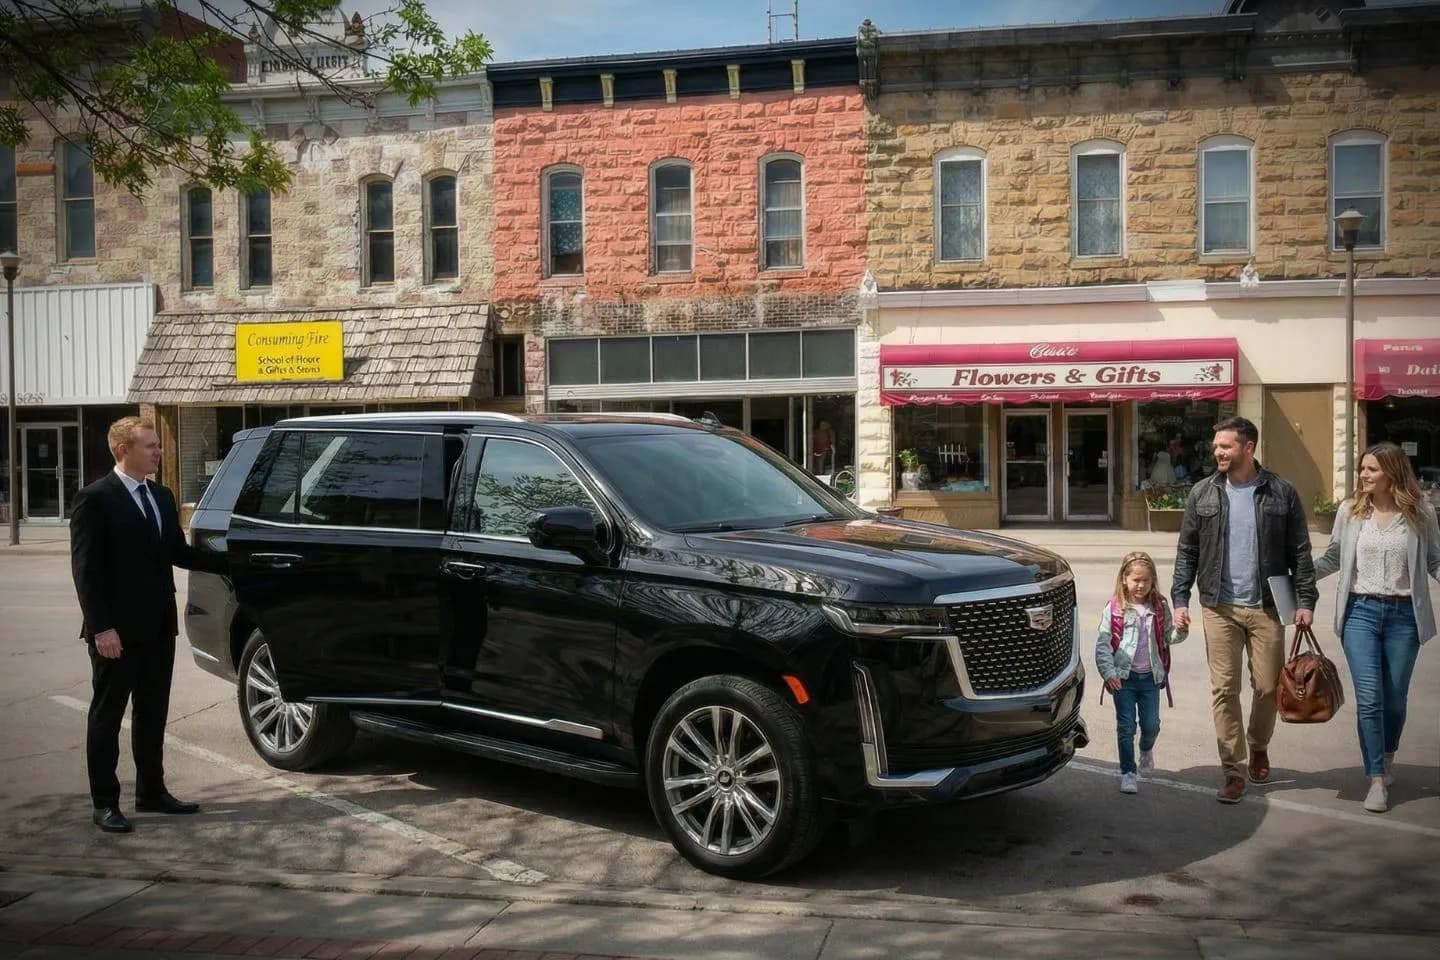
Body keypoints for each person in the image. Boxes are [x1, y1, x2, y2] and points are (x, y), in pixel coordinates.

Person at [70, 417, 228, 833]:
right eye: (150, 446)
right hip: (116, 632)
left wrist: (234, 561)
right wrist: (101, 628)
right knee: (107, 716)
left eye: (157, 445)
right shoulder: (95, 499)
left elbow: (177, 553)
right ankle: (105, 803)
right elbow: (86, 571)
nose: (158, 452)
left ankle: (152, 792)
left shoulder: (160, 495)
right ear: (124, 450)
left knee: (152, 712)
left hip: (159, 626)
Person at [1170, 416, 1317, 804]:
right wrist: (1180, 599)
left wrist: (1305, 601)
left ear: (1248, 447)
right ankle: (1233, 770)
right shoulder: (1202, 493)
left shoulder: (1281, 492)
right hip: (1219, 606)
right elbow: (1187, 550)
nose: (1217, 451)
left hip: (1267, 605)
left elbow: (1300, 552)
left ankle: (1259, 744)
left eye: (1225, 446)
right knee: (1224, 689)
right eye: (1216, 446)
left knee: (1268, 688)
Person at [1314, 442, 1440, 814]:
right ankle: (1376, 779)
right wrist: (1295, 575)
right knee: (1369, 698)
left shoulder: (1420, 512)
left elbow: (1434, 560)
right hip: (1360, 613)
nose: (1363, 475)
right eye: (1362, 469)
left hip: (1404, 616)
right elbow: (1334, 557)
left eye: (1371, 469)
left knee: (1395, 699)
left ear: (1392, 472)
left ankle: (1386, 756)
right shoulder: (1351, 511)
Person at [1096, 551, 1187, 794]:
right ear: (1124, 579)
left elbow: (1168, 637)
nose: (1141, 585)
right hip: (1123, 679)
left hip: (1150, 679)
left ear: (1153, 580)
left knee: (1151, 725)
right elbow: (1103, 645)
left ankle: (1146, 749)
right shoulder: (1114, 608)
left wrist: (1181, 630)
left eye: (1146, 580)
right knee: (1126, 727)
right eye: (1136, 580)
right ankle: (1128, 772)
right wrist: (1108, 673)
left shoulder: (1159, 607)